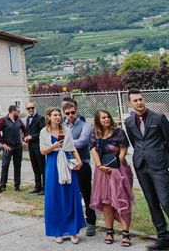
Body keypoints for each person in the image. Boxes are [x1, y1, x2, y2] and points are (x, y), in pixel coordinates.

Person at [124, 89, 169, 251]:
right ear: (130, 103)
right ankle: (163, 238)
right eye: (135, 101)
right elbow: (135, 142)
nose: (139, 103)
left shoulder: (158, 118)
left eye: (140, 99)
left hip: (159, 166)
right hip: (141, 166)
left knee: (166, 201)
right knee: (152, 203)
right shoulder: (129, 122)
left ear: (144, 100)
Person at [40, 107, 85, 244]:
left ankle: (73, 231)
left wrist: (79, 161)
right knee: (55, 197)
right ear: (48, 117)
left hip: (66, 163)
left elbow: (72, 148)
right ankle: (57, 231)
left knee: (69, 196)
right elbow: (43, 151)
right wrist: (53, 146)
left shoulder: (66, 130)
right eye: (55, 115)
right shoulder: (44, 132)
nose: (58, 117)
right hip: (53, 164)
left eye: (59, 115)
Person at [89, 109, 134, 247]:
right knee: (107, 202)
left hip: (119, 170)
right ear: (98, 120)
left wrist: (116, 163)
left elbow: (124, 148)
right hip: (102, 172)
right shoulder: (95, 133)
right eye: (103, 118)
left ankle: (126, 233)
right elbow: (93, 150)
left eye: (108, 117)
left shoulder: (119, 131)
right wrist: (99, 166)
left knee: (122, 201)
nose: (106, 119)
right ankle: (110, 231)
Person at [63, 101, 96, 236]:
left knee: (87, 194)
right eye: (67, 113)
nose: (71, 115)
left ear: (76, 111)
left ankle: (91, 222)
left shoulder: (85, 125)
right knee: (69, 194)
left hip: (82, 164)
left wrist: (64, 143)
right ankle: (73, 221)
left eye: (73, 112)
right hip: (66, 165)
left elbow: (82, 142)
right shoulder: (62, 125)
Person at [0, 104, 26, 193]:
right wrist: (3, 144)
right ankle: (2, 185)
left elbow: (24, 129)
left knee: (17, 165)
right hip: (8, 146)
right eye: (17, 111)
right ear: (12, 111)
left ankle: (17, 185)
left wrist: (24, 139)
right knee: (5, 165)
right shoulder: (3, 120)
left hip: (18, 146)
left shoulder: (18, 120)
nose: (19, 112)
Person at [24, 102, 46, 194]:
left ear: (35, 107)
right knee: (35, 167)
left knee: (42, 167)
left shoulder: (40, 118)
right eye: (28, 108)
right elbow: (27, 131)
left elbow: (42, 132)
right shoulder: (27, 119)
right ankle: (37, 186)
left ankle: (44, 188)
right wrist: (25, 137)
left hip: (38, 145)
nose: (30, 110)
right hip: (31, 146)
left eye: (32, 108)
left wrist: (32, 137)